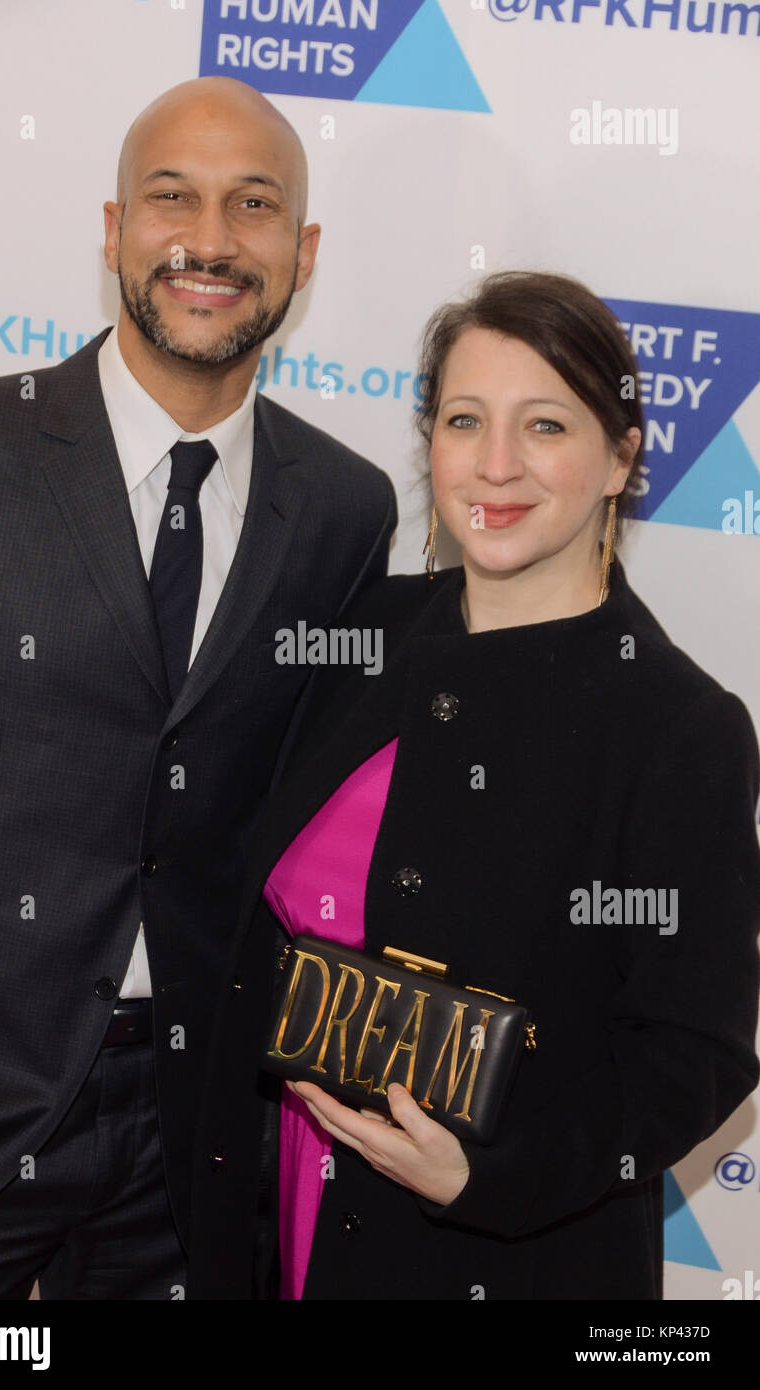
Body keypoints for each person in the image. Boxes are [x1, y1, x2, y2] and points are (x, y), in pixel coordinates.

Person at [0, 76, 396, 1299]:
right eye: (172, 198)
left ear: (305, 253)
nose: (213, 241)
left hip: (192, 1131)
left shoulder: (344, 509)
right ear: (114, 229)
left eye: (255, 205)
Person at [188, 270, 760, 1300]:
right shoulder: (365, 633)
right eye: (464, 420)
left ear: (622, 456)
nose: (495, 465)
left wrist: (487, 1174)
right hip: (281, 1221)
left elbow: (694, 1058)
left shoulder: (681, 729)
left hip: (495, 1257)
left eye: (546, 425)